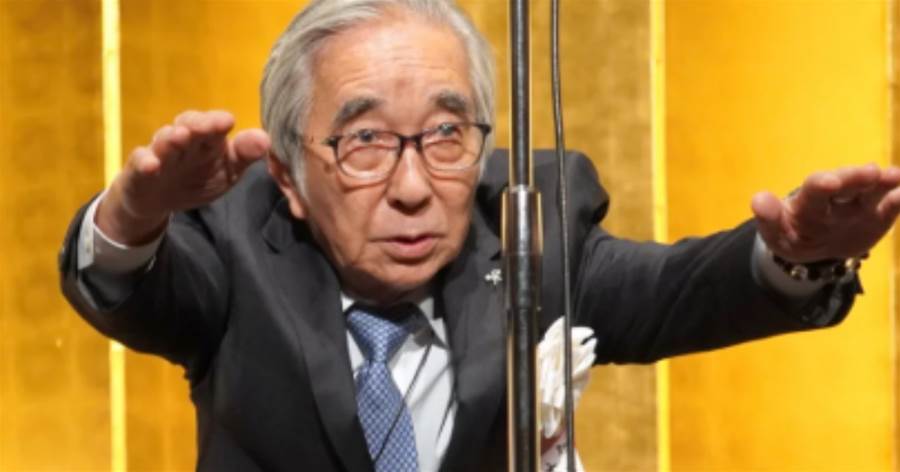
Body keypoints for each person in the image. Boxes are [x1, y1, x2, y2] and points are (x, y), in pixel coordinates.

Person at [58, 0, 900, 471]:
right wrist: (133, 214)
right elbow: (133, 284)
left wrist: (797, 253)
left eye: (447, 135)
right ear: (288, 177)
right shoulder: (240, 244)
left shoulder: (529, 228)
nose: (414, 188)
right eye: (365, 141)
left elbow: (677, 288)